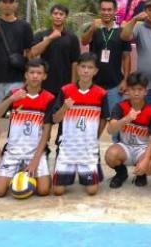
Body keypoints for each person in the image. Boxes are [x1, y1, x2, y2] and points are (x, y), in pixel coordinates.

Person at [0, 59, 55, 197]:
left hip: (35, 151)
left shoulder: (49, 98)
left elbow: (46, 132)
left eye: (39, 73)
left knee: (44, 190)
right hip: (13, 151)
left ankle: (30, 169)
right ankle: (19, 170)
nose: (35, 76)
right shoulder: (14, 93)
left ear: (44, 76)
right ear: (26, 75)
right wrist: (11, 99)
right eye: (31, 72)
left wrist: (35, 161)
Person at [51, 52, 109, 196]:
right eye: (83, 67)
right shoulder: (65, 90)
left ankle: (87, 171)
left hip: (88, 148)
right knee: (58, 191)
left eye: (90, 67)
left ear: (95, 71)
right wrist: (64, 108)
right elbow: (55, 119)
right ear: (77, 69)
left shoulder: (101, 93)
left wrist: (95, 138)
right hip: (67, 147)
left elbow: (103, 119)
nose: (86, 70)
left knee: (92, 191)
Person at [105, 72, 151, 188]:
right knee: (110, 155)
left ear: (146, 91)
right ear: (128, 90)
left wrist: (145, 160)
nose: (136, 93)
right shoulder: (120, 107)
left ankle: (141, 174)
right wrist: (126, 119)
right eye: (133, 89)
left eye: (140, 89)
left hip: (142, 149)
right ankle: (121, 173)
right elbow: (110, 130)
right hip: (125, 146)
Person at [81, 0, 132, 116]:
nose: (106, 12)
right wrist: (92, 28)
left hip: (115, 84)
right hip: (94, 83)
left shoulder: (122, 31)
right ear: (100, 11)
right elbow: (84, 41)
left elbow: (126, 57)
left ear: (115, 11)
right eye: (103, 9)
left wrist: (125, 80)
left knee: (114, 118)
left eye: (109, 10)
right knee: (93, 117)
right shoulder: (94, 29)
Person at [30, 3, 81, 97]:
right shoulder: (41, 35)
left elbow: (75, 62)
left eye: (61, 14)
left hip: (65, 83)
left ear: (65, 17)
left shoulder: (72, 37)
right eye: (55, 13)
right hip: (45, 83)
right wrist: (49, 39)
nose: (58, 16)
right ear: (51, 16)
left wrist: (73, 85)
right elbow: (33, 52)